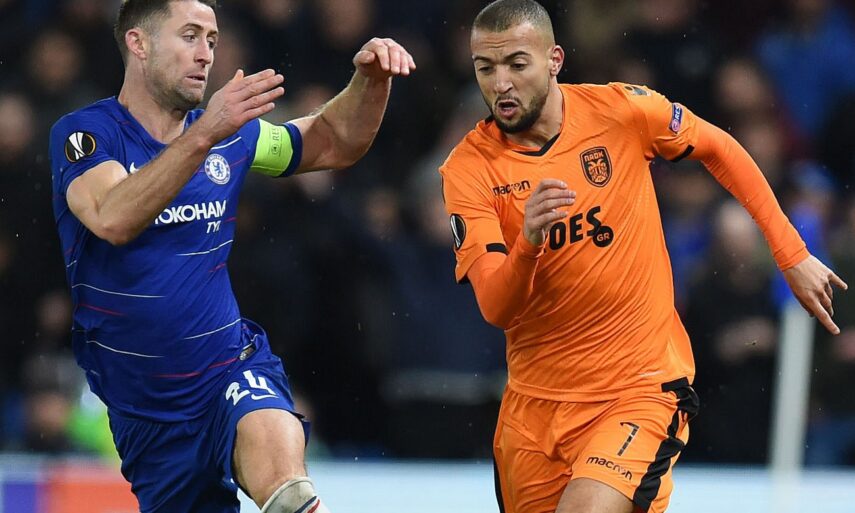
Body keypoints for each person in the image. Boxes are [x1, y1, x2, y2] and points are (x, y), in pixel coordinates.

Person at [438, 1, 847, 512]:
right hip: (534, 411)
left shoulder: (621, 111)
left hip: (637, 389)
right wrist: (529, 243)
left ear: (554, 59)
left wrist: (791, 253)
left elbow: (719, 148)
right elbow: (496, 307)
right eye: (486, 68)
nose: (501, 83)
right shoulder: (468, 170)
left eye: (517, 64)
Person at [47, 1, 415, 512]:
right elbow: (113, 217)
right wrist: (204, 136)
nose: (206, 54)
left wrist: (370, 82)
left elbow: (334, 141)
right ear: (139, 43)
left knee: (289, 493)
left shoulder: (231, 136)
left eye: (213, 40)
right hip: (146, 412)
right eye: (190, 36)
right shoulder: (86, 134)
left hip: (229, 368)